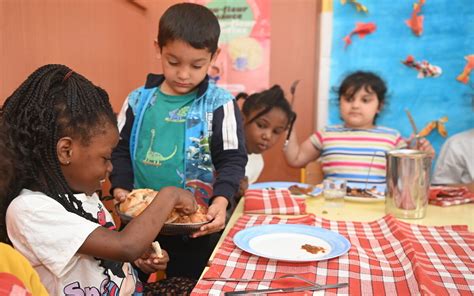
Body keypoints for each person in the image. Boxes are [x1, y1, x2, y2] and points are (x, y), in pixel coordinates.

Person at [0, 64, 197, 295]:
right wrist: (170, 194)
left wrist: (137, 260)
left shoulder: (81, 195)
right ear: (66, 151)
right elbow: (125, 246)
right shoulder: (30, 210)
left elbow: (108, 253)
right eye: (105, 157)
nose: (110, 168)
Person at [110, 3, 247, 280]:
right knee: (133, 280)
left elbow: (232, 159)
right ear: (158, 48)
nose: (184, 74)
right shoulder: (138, 100)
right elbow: (119, 149)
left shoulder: (221, 104)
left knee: (187, 283)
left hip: (195, 228)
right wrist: (120, 188)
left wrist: (221, 201)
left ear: (214, 56)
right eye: (174, 62)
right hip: (140, 222)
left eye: (197, 65)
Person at [284, 71, 434, 184]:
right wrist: (289, 124)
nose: (355, 105)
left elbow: (408, 179)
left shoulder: (392, 137)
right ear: (339, 102)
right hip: (334, 207)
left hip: (377, 210)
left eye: (365, 100)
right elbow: (295, 159)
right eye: (349, 99)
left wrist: (422, 158)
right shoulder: (327, 133)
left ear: (379, 106)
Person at [236, 85, 295, 185]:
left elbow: (237, 199)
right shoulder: (221, 150)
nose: (267, 136)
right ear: (241, 119)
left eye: (276, 132)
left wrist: (239, 195)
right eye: (261, 125)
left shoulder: (257, 163)